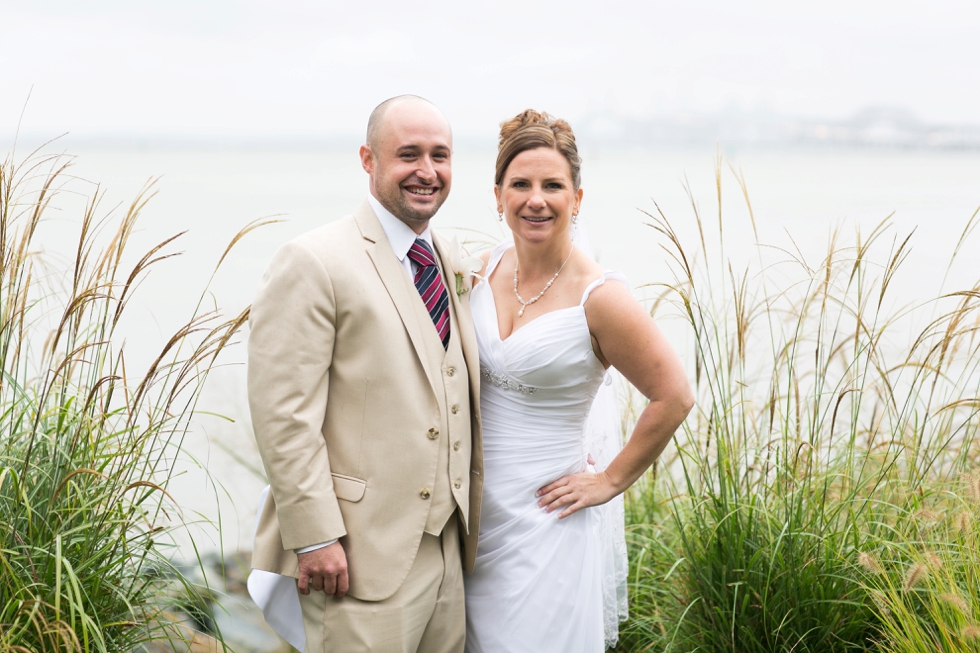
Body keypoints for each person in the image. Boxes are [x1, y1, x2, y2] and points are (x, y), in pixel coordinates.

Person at [246, 95, 483, 653]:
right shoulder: (313, 260)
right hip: (355, 555)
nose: (427, 171)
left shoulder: (452, 258)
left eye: (440, 156)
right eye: (408, 154)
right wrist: (315, 536)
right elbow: (283, 416)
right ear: (367, 159)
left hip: (450, 552)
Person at [463, 110, 694, 652]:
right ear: (497, 196)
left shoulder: (601, 296)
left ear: (577, 199)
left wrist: (610, 481)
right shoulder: (475, 272)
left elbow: (675, 394)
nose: (535, 199)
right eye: (520, 184)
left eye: (552, 185)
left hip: (546, 522)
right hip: (473, 526)